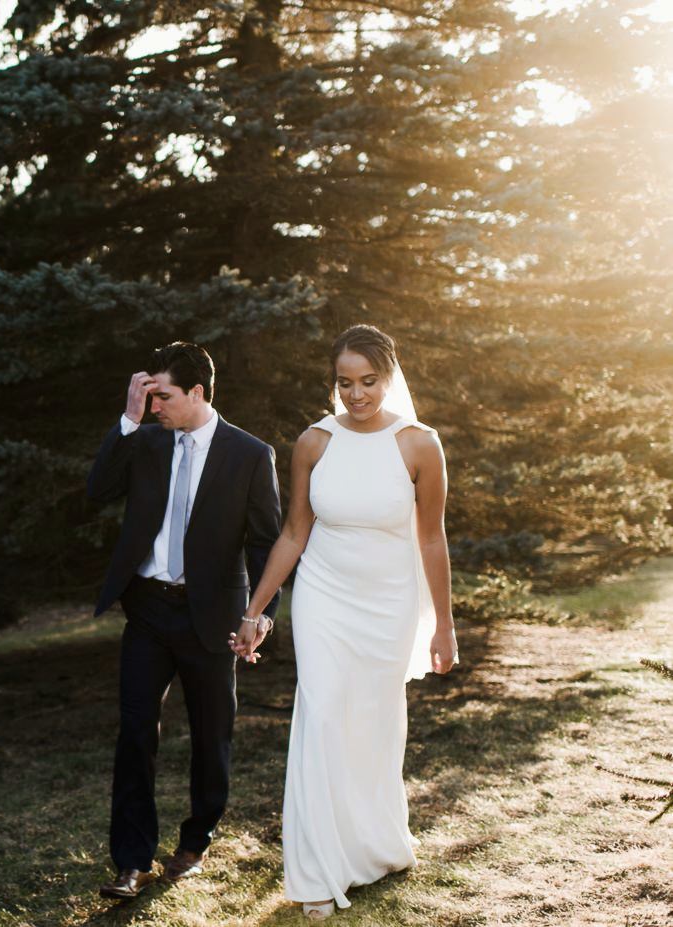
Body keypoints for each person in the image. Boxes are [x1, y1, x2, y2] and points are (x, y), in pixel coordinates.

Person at [231, 324, 459, 920]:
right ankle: (317, 872)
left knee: (375, 727)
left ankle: (377, 847)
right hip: (324, 599)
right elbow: (293, 533)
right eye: (344, 382)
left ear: (388, 377)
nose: (356, 394)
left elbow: (431, 540)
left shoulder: (419, 445)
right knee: (324, 716)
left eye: (368, 381)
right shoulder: (314, 442)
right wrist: (256, 610)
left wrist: (444, 625)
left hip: (389, 603)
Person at [86, 341, 283, 899]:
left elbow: (268, 544)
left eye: (164, 396)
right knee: (134, 734)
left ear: (197, 393)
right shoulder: (145, 440)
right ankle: (130, 860)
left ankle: (195, 842)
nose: (156, 407)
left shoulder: (249, 454)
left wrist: (260, 615)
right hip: (147, 610)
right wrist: (127, 417)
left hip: (214, 616)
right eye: (149, 398)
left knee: (211, 735)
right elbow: (97, 489)